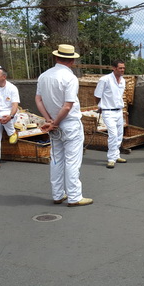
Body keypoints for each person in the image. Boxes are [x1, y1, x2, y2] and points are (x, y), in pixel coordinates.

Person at [35, 44, 93, 207]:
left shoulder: (44, 76)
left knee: (57, 160)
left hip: (53, 121)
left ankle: (58, 193)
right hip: (68, 123)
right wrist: (56, 122)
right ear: (72, 60)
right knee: (72, 161)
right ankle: (74, 196)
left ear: (56, 57)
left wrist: (49, 120)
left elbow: (38, 100)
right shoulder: (70, 78)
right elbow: (67, 105)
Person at [94, 60, 128, 169]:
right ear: (114, 68)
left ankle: (116, 155)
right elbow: (97, 95)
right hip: (108, 111)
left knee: (119, 134)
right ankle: (111, 159)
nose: (122, 70)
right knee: (112, 134)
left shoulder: (123, 81)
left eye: (123, 68)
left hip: (119, 110)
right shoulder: (105, 80)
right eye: (120, 68)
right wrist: (100, 106)